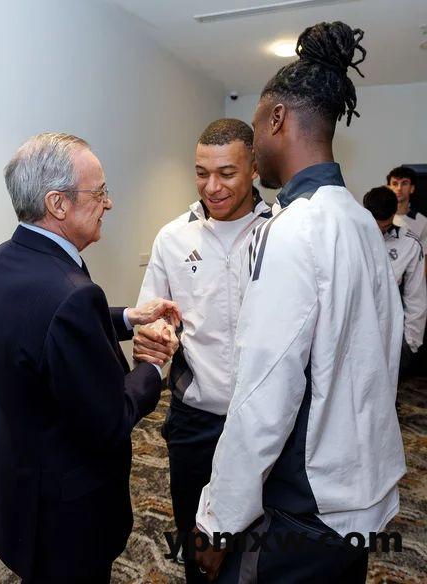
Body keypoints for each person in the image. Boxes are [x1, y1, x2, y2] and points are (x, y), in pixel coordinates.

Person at [195, 22, 406, 583]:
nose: (255, 146)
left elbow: (263, 393)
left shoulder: (293, 229)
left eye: (256, 128)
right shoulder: (358, 220)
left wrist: (218, 520)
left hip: (305, 506)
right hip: (361, 489)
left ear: (277, 119)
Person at [0, 133, 180, 584]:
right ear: (58, 203)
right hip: (68, 515)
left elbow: (46, 329)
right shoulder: (70, 295)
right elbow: (111, 418)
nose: (109, 203)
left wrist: (129, 317)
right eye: (99, 192)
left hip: (20, 488)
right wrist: (154, 365)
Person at [134, 119, 271, 582]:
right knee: (196, 544)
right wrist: (156, 334)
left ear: (254, 167)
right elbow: (153, 315)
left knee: (261, 547)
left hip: (268, 422)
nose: (212, 187)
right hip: (196, 421)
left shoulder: (281, 233)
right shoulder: (173, 238)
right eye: (201, 172)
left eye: (227, 173)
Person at [363, 185, 426, 376]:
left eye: (384, 227)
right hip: (355, 332)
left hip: (390, 335)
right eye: (374, 226)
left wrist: (411, 342)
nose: (379, 232)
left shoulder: (409, 243)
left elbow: (416, 296)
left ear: (393, 215)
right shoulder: (351, 237)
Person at [387, 166, 427, 260]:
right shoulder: (380, 218)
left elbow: (424, 257)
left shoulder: (422, 221)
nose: (399, 188)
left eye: (404, 183)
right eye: (395, 183)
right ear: (389, 188)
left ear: (412, 188)